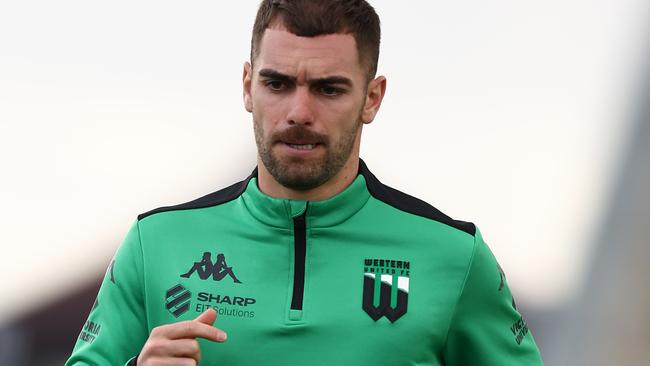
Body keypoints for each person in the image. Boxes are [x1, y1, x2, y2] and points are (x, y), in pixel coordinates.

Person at [66, 0, 544, 365]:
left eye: (328, 88)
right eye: (277, 84)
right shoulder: (156, 244)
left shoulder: (453, 256)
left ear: (372, 98)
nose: (299, 113)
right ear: (247, 86)